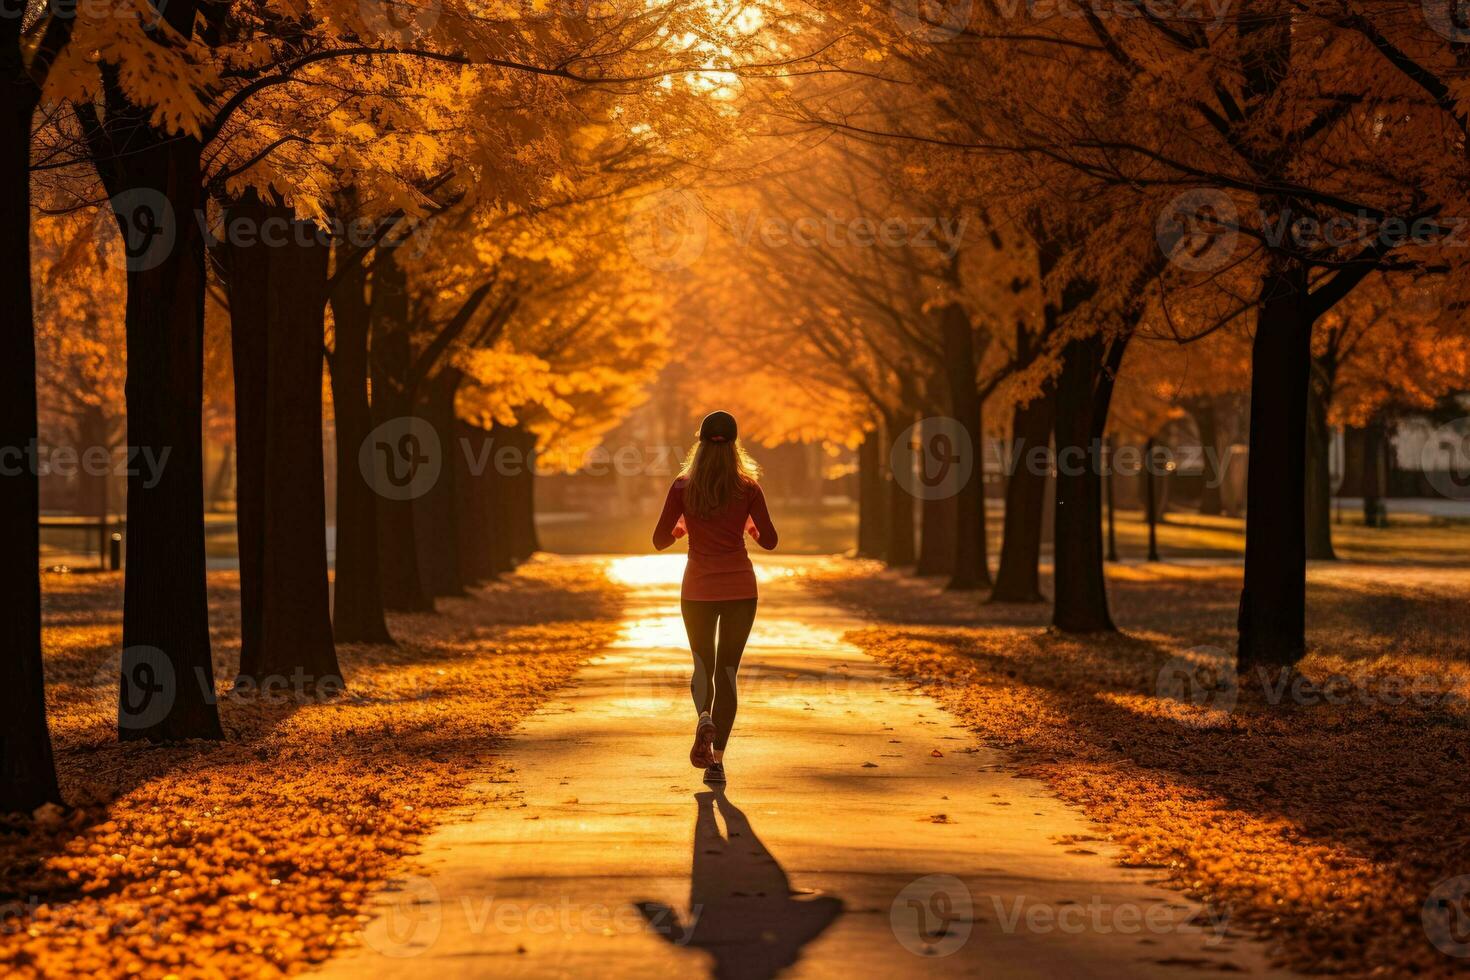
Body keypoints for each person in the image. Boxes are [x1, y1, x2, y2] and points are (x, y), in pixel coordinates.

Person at [652, 411, 778, 785]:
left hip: (698, 590)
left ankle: (702, 716)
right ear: (735, 446)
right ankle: (717, 762)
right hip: (740, 589)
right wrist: (748, 525)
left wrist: (682, 526)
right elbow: (770, 540)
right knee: (728, 672)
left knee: (703, 665)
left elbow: (659, 540)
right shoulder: (748, 488)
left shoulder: (682, 487)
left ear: (701, 444)